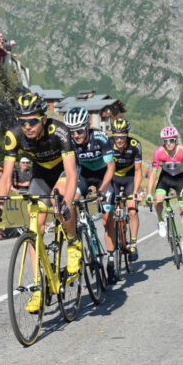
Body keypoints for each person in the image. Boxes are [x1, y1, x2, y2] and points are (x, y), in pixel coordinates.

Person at [0, 93, 81, 313]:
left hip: (63, 170)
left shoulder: (59, 131)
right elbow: (6, 177)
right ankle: (39, 287)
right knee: (34, 227)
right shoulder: (13, 136)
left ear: (43, 119)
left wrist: (67, 203)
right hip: (41, 174)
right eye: (23, 122)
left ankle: (73, 242)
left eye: (32, 121)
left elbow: (71, 174)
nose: (27, 126)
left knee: (58, 202)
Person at [64, 107, 118, 284]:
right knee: (71, 202)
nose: (76, 135)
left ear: (87, 126)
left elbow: (111, 168)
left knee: (107, 219)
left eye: (79, 131)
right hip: (84, 176)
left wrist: (101, 190)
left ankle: (111, 261)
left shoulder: (100, 138)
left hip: (103, 176)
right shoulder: (69, 142)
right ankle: (78, 241)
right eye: (72, 132)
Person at [145, 126, 183, 261]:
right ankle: (161, 221)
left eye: (171, 140)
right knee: (158, 200)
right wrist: (149, 193)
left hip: (180, 179)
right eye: (166, 141)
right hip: (165, 178)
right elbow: (154, 174)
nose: (169, 143)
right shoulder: (159, 152)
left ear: (176, 140)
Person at [108, 118, 143, 263]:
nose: (119, 140)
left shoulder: (135, 145)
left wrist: (135, 192)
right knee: (110, 211)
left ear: (127, 135)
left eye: (122, 136)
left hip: (129, 177)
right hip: (114, 177)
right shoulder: (108, 144)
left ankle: (133, 244)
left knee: (132, 210)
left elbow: (138, 171)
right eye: (116, 136)